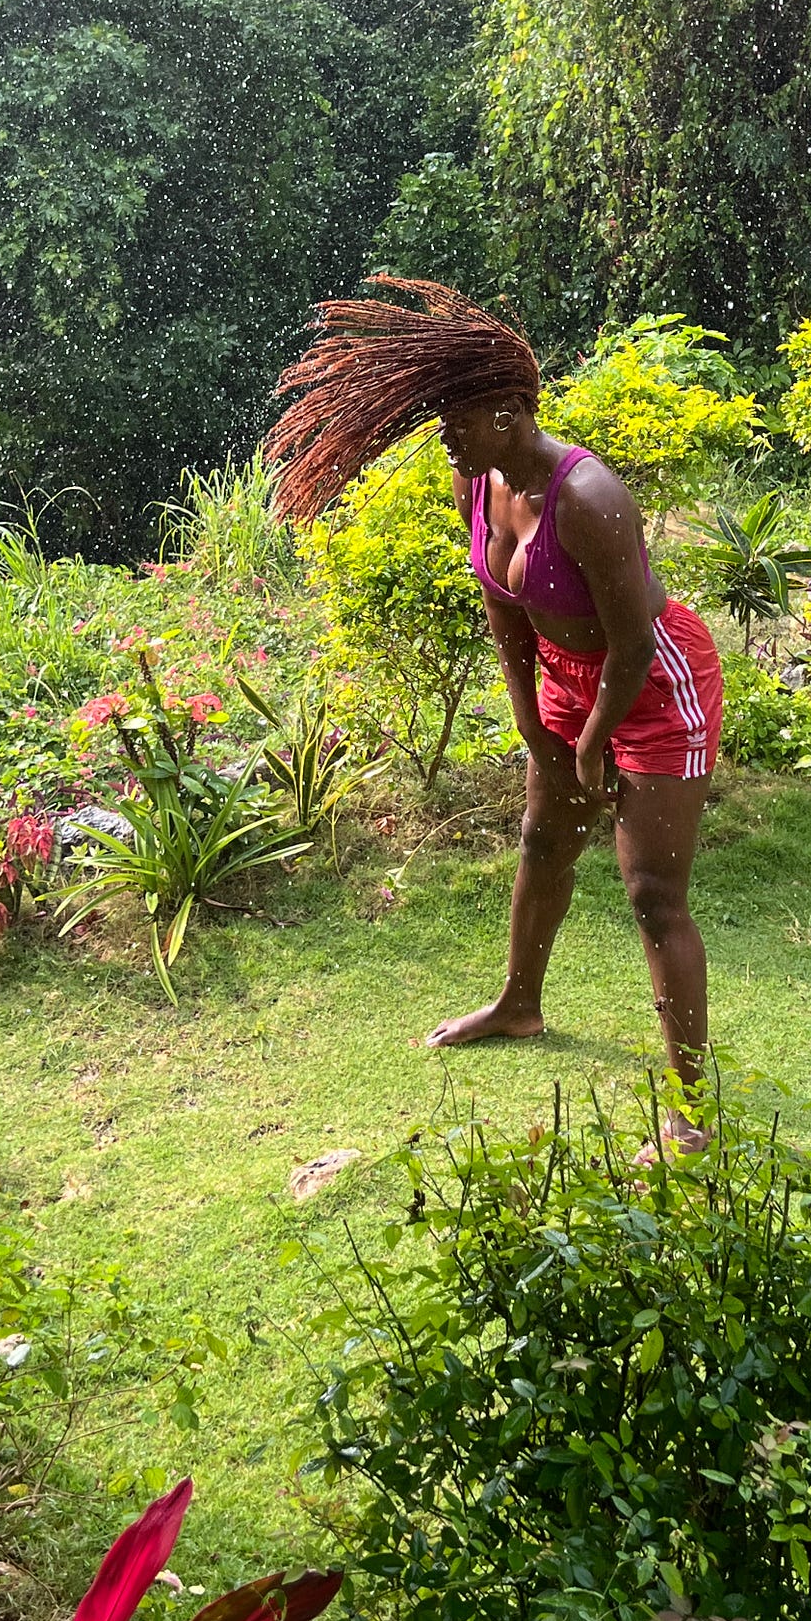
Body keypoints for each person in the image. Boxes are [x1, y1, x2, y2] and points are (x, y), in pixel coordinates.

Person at [267, 277, 723, 1147]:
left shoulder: (589, 498)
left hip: (654, 681)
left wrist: (592, 747)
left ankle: (694, 1108)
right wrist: (536, 729)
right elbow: (504, 612)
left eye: (460, 416)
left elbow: (631, 644)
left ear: (513, 411)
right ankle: (518, 1003)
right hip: (566, 677)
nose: (446, 431)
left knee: (653, 892)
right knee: (544, 838)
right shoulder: (474, 480)